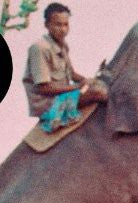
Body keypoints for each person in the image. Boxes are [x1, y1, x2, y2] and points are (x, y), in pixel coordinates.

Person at [23, 3, 101, 132]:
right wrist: (78, 86)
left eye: (66, 25)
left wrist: (89, 80)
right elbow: (44, 88)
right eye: (58, 25)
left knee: (99, 86)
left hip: (62, 95)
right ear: (47, 25)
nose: (63, 29)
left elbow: (72, 74)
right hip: (49, 104)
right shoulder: (39, 48)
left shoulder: (62, 45)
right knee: (99, 93)